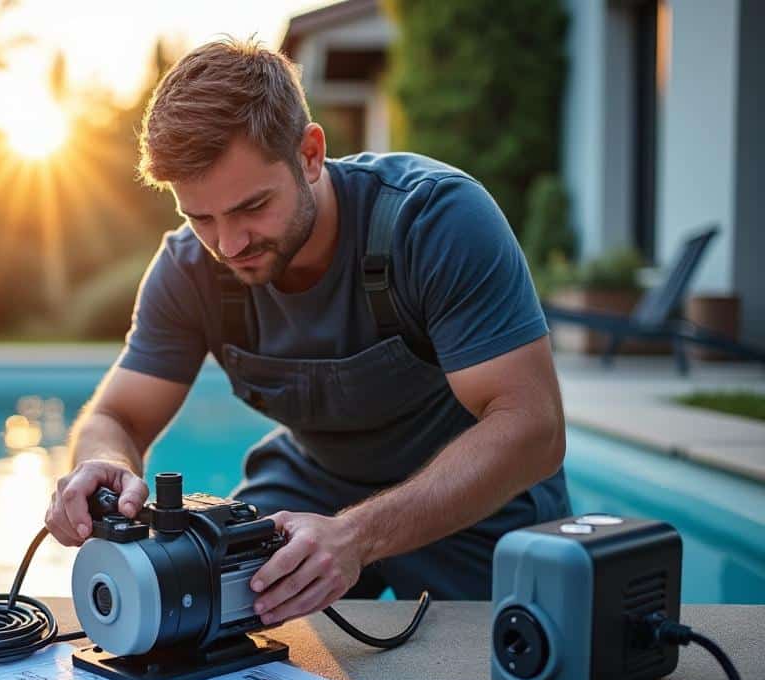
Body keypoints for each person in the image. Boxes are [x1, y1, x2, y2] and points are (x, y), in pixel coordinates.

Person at [43, 38, 570, 626]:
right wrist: (103, 464)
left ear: (311, 153)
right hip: (308, 485)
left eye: (252, 207)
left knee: (516, 660)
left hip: (476, 502)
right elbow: (117, 416)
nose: (229, 245)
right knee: (202, 625)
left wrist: (357, 534)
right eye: (201, 217)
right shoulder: (190, 269)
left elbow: (533, 426)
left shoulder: (435, 220)